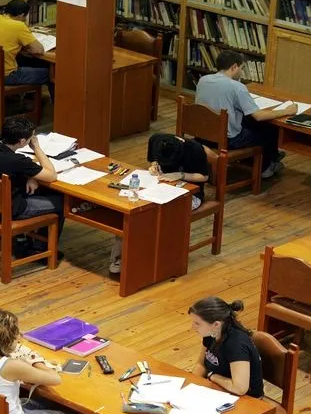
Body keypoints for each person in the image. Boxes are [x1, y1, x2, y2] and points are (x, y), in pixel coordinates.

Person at [108, 133, 215, 273]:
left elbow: (204, 177)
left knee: (162, 216)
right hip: (159, 187)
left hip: (190, 194)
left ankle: (162, 259)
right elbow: (152, 160)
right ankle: (122, 260)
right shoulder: (156, 140)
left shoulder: (194, 149)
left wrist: (180, 175)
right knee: (135, 212)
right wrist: (154, 166)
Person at [195, 50, 297, 179]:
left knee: (249, 122)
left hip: (203, 134)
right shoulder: (237, 87)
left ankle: (271, 156)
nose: (241, 72)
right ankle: (265, 167)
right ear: (234, 67)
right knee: (268, 130)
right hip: (228, 139)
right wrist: (288, 111)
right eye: (241, 68)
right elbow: (258, 116)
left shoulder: (203, 80)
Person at [0, 116, 63, 259]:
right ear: (22, 141)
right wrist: (37, 148)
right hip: (7, 209)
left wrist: (30, 176)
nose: (32, 139)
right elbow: (51, 175)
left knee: (31, 188)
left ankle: (22, 239)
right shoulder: (17, 161)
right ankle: (39, 249)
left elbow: (12, 168)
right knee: (61, 202)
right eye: (31, 138)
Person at [0, 0, 53, 97]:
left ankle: (27, 100)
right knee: (51, 74)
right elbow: (39, 50)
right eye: (24, 18)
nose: (24, 21)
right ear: (21, 15)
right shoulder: (19, 26)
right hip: (3, 76)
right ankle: (58, 110)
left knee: (26, 61)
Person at [188, 297, 264, 398]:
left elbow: (240, 388)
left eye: (197, 323)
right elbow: (201, 365)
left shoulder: (236, 345)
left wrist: (212, 376)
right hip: (221, 390)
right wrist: (192, 385)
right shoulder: (211, 334)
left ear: (216, 324)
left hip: (247, 399)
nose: (192, 327)